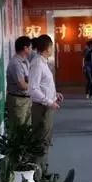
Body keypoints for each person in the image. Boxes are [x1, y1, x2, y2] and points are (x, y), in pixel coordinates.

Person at [29, 34, 64, 167]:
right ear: (47, 48)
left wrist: (55, 94)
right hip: (42, 108)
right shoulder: (38, 63)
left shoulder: (42, 62)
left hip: (46, 105)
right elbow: (33, 89)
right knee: (41, 142)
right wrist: (49, 101)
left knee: (45, 140)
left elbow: (44, 85)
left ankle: (42, 169)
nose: (52, 49)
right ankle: (37, 173)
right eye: (51, 46)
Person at [6, 36, 33, 128]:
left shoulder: (25, 61)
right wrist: (34, 86)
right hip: (18, 101)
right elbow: (22, 85)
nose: (31, 49)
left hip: (26, 100)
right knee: (18, 129)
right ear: (25, 48)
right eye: (30, 47)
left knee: (27, 129)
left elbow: (28, 79)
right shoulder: (16, 63)